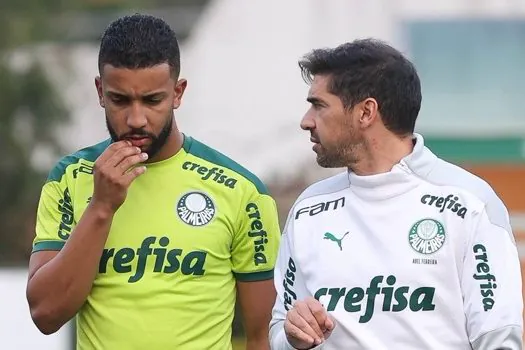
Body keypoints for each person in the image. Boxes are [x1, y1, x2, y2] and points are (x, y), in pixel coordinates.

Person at [26, 13, 280, 350]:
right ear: (100, 91)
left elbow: (263, 336)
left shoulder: (241, 190)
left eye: (152, 100)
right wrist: (101, 207)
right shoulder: (69, 178)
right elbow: (46, 313)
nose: (135, 119)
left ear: (178, 93)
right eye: (119, 100)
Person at [269, 38, 523, 349]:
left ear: (366, 112)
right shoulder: (309, 208)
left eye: (318, 105)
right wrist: (293, 336)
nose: (305, 121)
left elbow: (499, 339)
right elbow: (281, 330)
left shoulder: (468, 203)